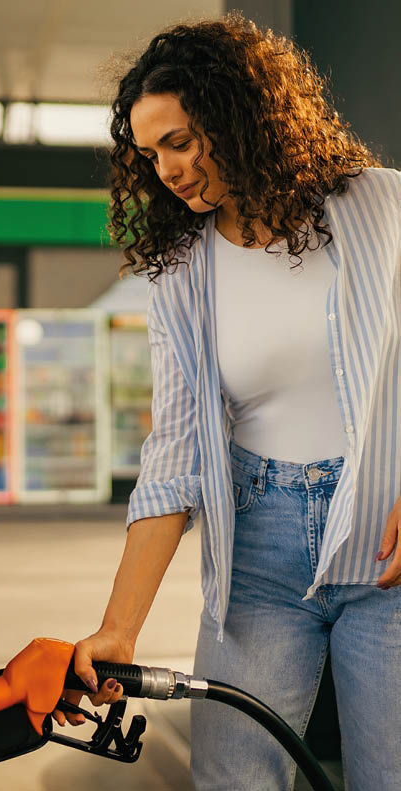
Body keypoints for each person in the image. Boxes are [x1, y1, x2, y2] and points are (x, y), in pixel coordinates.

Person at [67, 14, 401, 791]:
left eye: (179, 140)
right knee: (233, 780)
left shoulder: (381, 208)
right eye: (150, 154)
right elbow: (175, 452)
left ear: (243, 114)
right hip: (258, 551)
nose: (167, 170)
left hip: (386, 555)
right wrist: (120, 626)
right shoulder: (179, 273)